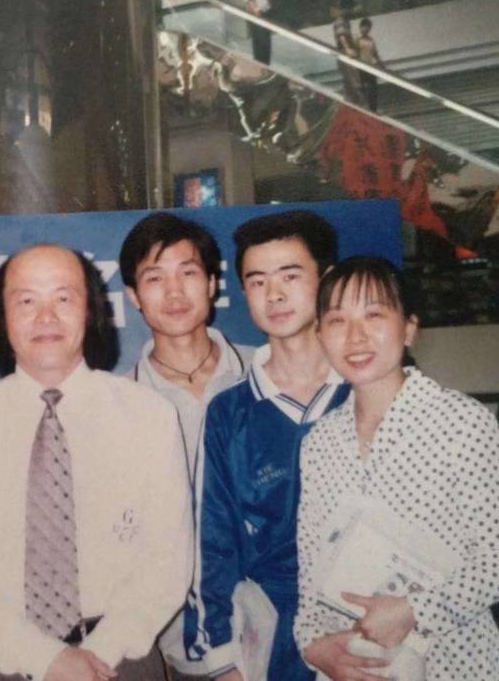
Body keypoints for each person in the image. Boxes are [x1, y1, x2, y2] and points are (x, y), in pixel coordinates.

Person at [0, 243, 193, 681]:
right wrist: (46, 658)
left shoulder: (148, 417)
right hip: (5, 663)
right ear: (1, 317)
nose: (45, 317)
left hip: (121, 662)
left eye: (63, 298)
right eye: (26, 301)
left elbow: (167, 560)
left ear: (91, 311)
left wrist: (98, 654)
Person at [295, 256, 499, 681]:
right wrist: (312, 645)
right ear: (319, 334)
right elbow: (311, 566)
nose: (355, 336)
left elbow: (495, 557)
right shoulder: (320, 443)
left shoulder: (462, 423)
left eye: (373, 315)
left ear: (408, 327)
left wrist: (415, 611)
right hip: (351, 665)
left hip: (454, 663)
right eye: (337, 320)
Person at [192, 210, 350, 681]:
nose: (274, 294)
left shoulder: (368, 388)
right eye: (257, 281)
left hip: (377, 630)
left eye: (290, 276)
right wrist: (222, 659)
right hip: (277, 641)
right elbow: (214, 543)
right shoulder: (229, 412)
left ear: (326, 279)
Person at [119, 212, 253, 680]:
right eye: (155, 278)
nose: (174, 292)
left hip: (290, 633)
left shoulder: (267, 375)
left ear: (213, 284)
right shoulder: (118, 408)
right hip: (181, 649)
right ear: (134, 296)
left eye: (188, 273)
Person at [332, 0, 364, 105]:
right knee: (353, 82)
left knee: (349, 83)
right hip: (345, 54)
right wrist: (348, 49)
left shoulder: (345, 21)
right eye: (350, 9)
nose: (351, 11)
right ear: (344, 9)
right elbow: (341, 36)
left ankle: (350, 104)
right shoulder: (341, 21)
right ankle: (354, 105)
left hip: (344, 55)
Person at [244, 0, 273, 65]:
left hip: (264, 15)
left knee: (265, 42)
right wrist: (257, 12)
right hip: (258, 16)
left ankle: (265, 63)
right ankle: (261, 63)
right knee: (261, 42)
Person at [356, 18, 384, 113]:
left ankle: (373, 109)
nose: (367, 29)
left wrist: (381, 64)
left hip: (370, 66)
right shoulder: (357, 39)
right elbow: (354, 52)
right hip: (360, 67)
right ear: (361, 27)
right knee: (361, 89)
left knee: (373, 88)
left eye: (369, 28)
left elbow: (375, 54)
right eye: (365, 27)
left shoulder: (371, 40)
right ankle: (362, 109)